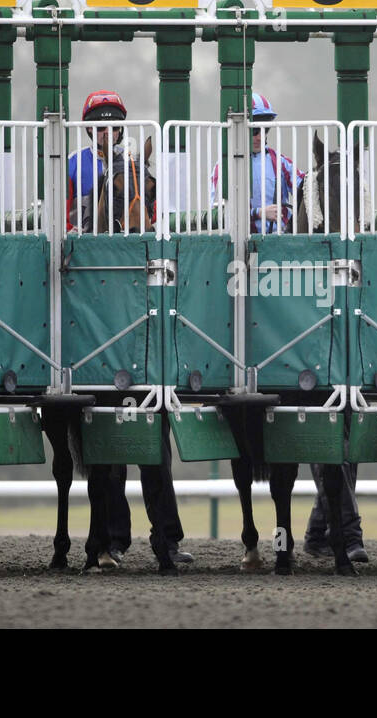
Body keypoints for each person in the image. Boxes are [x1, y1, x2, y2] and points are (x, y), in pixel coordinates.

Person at [65, 89, 190, 565]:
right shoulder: (73, 164)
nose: (107, 131)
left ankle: (168, 539)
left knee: (152, 439)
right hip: (91, 308)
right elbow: (64, 222)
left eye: (114, 124)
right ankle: (112, 540)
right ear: (88, 128)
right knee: (104, 446)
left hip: (138, 310)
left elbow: (153, 222)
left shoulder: (138, 168)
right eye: (99, 124)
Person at [211, 92, 301, 234]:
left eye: (265, 129)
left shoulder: (282, 162)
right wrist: (258, 213)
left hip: (281, 242)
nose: (260, 137)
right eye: (254, 130)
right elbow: (218, 215)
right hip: (240, 245)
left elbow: (307, 190)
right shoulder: (222, 167)